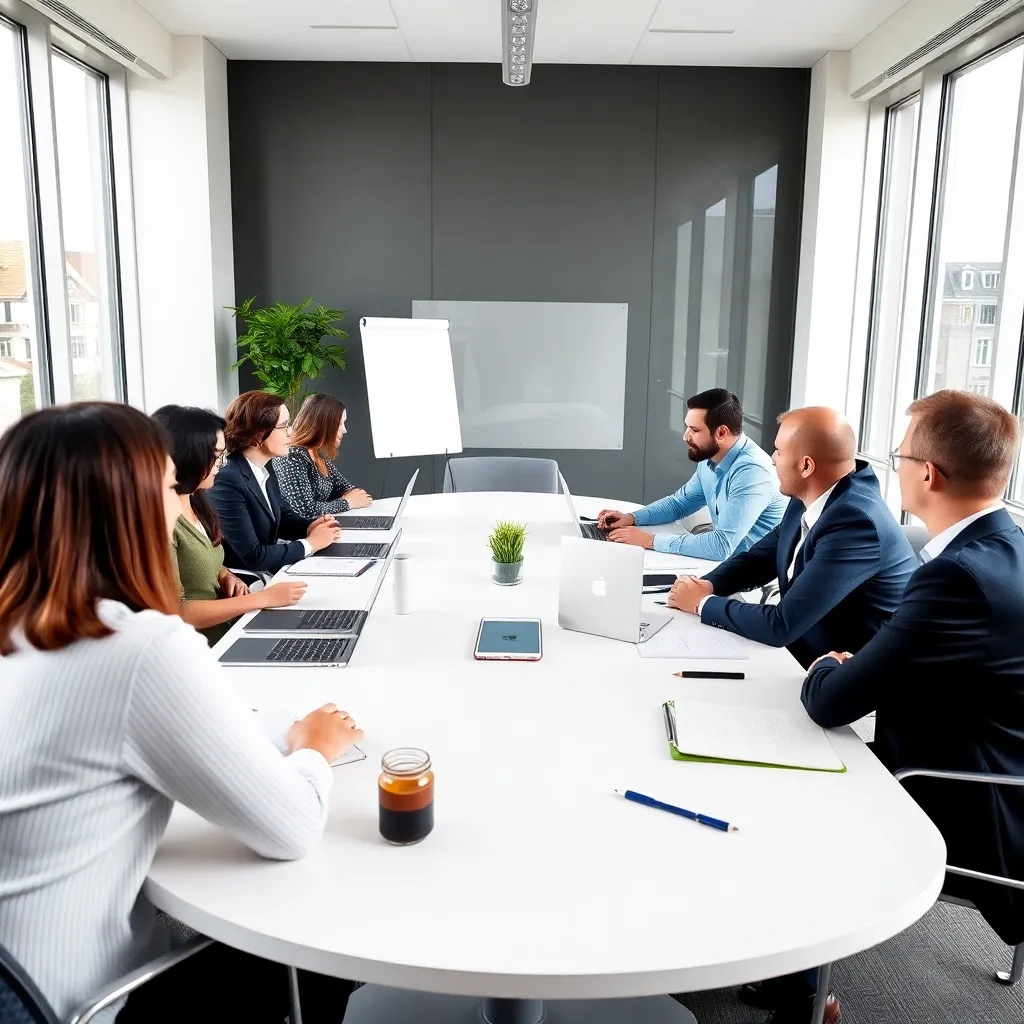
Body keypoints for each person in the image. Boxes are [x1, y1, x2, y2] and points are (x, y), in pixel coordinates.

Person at [0, 402, 362, 1023]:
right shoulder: (137, 647)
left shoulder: (22, 628)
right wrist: (314, 748)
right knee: (327, 948)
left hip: (20, 982)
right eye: (172, 488)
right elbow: (292, 827)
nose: (184, 506)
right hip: (84, 1001)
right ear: (134, 508)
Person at [803, 390, 1024, 958]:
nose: (891, 469)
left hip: (961, 790)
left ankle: (801, 989)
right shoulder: (1007, 548)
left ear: (928, 474)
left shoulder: (957, 576)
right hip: (998, 760)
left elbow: (830, 703)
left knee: (795, 788)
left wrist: (829, 665)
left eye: (898, 458)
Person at [668, 407, 917, 668]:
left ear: (806, 466)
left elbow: (782, 625)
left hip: (841, 672)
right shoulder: (810, 494)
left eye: (778, 451)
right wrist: (707, 585)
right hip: (800, 648)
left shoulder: (855, 522)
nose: (772, 459)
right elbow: (759, 559)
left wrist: (701, 604)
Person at [152, 405, 308, 645]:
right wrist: (263, 599)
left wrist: (225, 575)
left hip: (228, 627)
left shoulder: (196, 500)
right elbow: (177, 611)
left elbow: (199, 557)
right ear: (186, 456)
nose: (221, 464)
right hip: (203, 646)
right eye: (216, 455)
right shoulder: (159, 524)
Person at [597, 388, 787, 561]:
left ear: (721, 433)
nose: (685, 436)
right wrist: (631, 517)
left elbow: (722, 546)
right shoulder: (711, 455)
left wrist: (650, 541)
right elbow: (679, 504)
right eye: (687, 427)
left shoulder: (752, 472)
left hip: (750, 574)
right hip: (723, 561)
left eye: (694, 430)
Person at [209, 391, 342, 575]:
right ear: (258, 435)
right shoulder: (227, 479)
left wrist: (311, 526)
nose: (291, 433)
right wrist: (311, 543)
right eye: (284, 426)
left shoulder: (262, 468)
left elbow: (283, 517)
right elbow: (254, 556)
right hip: (251, 583)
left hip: (274, 571)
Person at [275, 393, 372, 518]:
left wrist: (351, 498)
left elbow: (348, 489)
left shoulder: (316, 453)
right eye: (339, 424)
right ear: (323, 424)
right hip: (305, 535)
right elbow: (303, 510)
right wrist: (347, 502)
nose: (344, 430)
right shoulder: (291, 457)